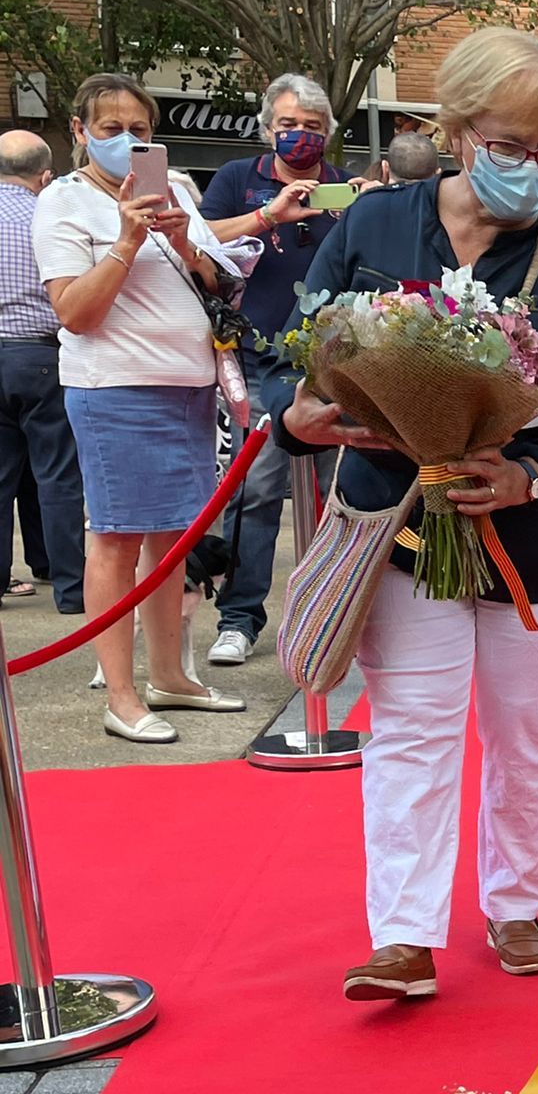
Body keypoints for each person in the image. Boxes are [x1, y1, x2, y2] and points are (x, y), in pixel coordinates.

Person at [265, 28, 538, 1001]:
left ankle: (513, 903)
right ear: (460, 132)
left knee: (529, 730)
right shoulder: (374, 227)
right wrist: (300, 418)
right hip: (401, 527)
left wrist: (531, 473)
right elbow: (301, 351)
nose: (534, 167)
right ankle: (403, 933)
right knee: (413, 727)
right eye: (513, 145)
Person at [33, 73, 245, 743]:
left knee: (172, 539)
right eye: (111, 128)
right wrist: (125, 241)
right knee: (118, 537)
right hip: (115, 390)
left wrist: (184, 242)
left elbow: (223, 282)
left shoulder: (176, 185)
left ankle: (170, 676)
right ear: (78, 132)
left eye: (140, 130)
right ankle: (120, 694)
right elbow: (75, 312)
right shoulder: (63, 202)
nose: (129, 140)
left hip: (188, 387)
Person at [198, 73, 351, 667]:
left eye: (312, 128)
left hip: (337, 366)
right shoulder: (239, 180)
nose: (299, 137)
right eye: (288, 126)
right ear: (268, 129)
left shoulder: (343, 188)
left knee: (341, 496)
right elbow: (199, 240)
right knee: (256, 492)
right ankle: (240, 618)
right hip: (260, 364)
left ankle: (336, 612)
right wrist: (268, 216)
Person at [0, 130, 86, 615]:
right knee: (56, 474)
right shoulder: (46, 216)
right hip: (39, 353)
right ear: (44, 175)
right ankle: (69, 586)